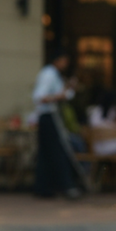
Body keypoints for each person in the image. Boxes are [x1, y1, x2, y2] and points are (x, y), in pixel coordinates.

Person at [32, 51, 83, 198]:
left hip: (49, 116)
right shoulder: (49, 74)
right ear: (57, 60)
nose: (65, 64)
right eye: (64, 60)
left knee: (45, 153)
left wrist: (68, 89)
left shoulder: (53, 74)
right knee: (57, 150)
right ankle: (66, 186)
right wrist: (60, 96)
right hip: (49, 116)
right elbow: (40, 96)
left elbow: (62, 94)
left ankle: (43, 188)